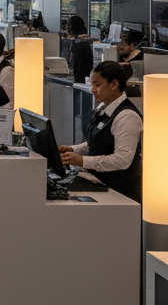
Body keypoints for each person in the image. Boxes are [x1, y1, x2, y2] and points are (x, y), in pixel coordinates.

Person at [58, 60, 142, 201]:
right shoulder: (104, 108)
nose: (93, 90)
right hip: (101, 186)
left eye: (97, 85)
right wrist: (73, 150)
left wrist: (83, 161)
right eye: (93, 85)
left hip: (122, 193)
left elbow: (122, 160)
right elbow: (99, 141)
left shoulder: (127, 117)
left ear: (114, 84)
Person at [65, 15, 94, 83]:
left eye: (69, 25)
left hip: (79, 75)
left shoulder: (77, 42)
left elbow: (72, 59)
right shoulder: (85, 42)